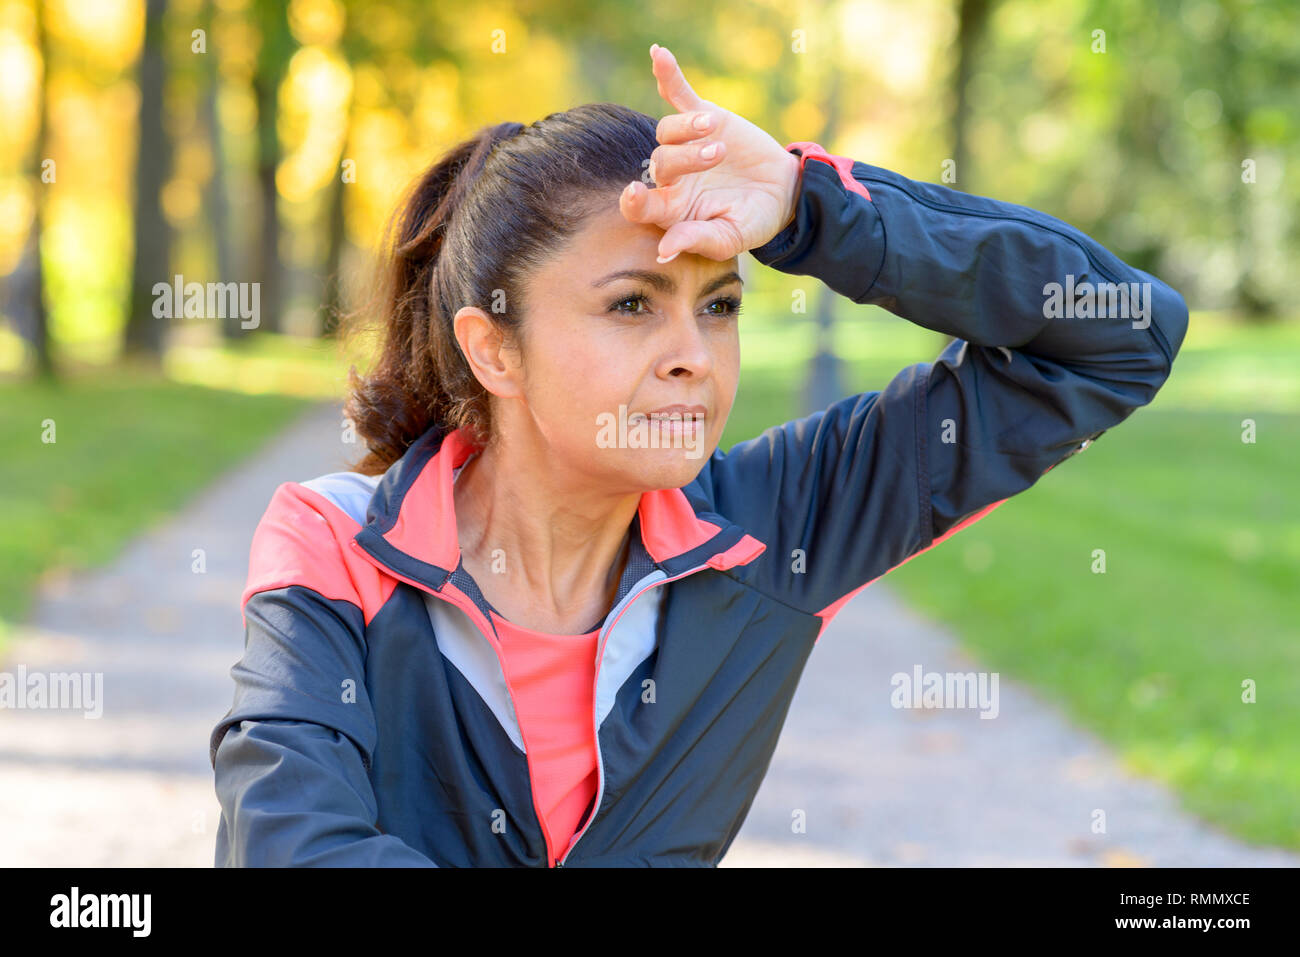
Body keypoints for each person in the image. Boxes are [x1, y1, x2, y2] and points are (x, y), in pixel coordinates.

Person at [209, 43, 1189, 867]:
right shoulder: (339, 542)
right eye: (631, 305)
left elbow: (1120, 335)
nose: (692, 357)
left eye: (717, 306)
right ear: (493, 347)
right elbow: (295, 848)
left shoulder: (779, 529)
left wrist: (811, 207)